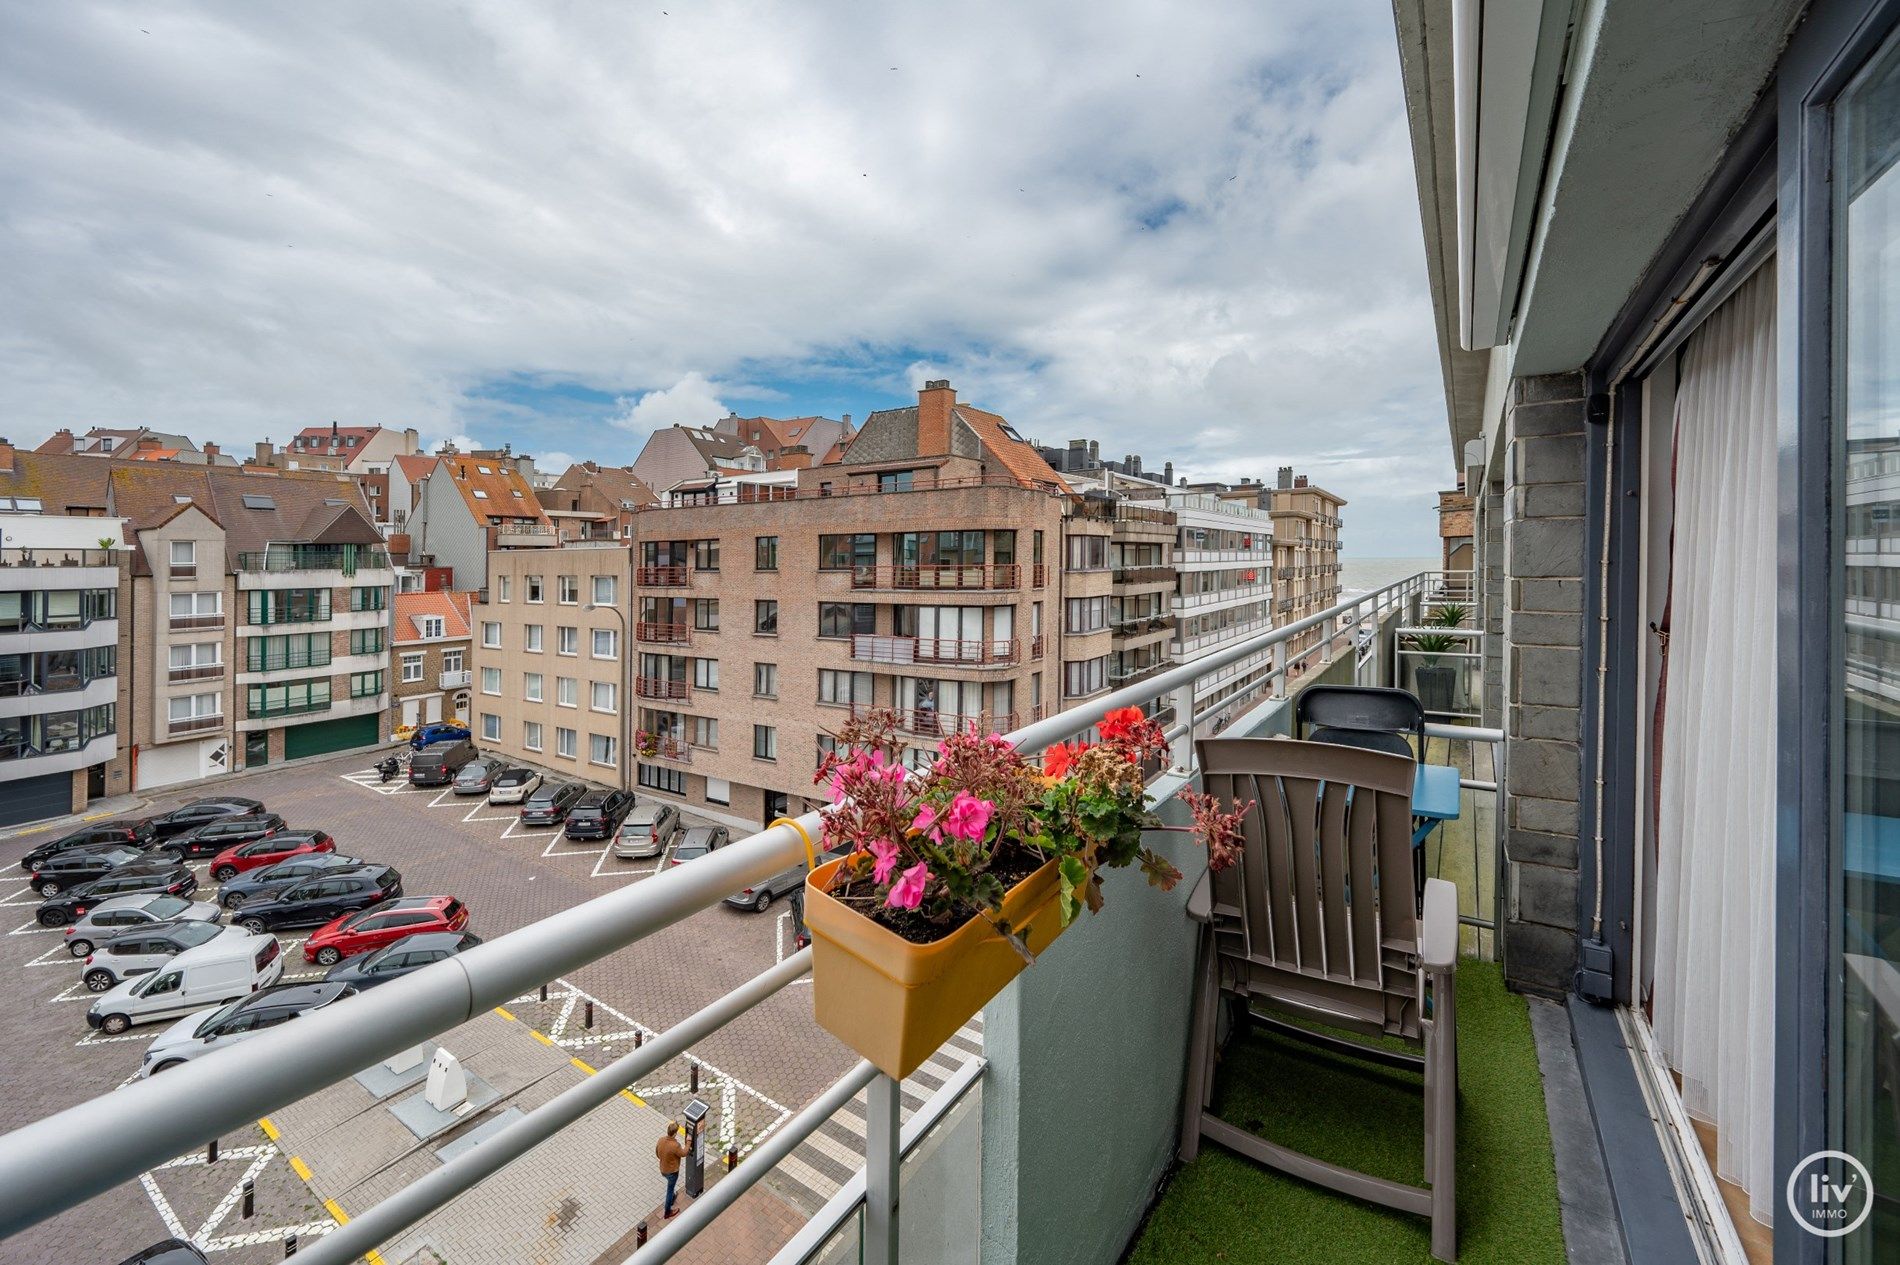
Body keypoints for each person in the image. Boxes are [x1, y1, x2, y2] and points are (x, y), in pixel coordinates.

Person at [656, 1122, 686, 1217]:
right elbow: (684, 1153)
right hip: (672, 1172)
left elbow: (657, 1153)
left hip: (663, 1169)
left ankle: (672, 1196)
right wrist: (689, 1143)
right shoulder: (675, 1145)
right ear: (675, 1133)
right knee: (670, 1190)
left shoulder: (661, 1140)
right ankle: (667, 1212)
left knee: (670, 1187)